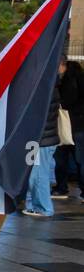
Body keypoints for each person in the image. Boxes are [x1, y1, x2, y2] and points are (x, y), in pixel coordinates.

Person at [23, 59, 61, 217]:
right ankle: (34, 205)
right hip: (39, 140)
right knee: (35, 173)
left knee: (36, 175)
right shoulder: (48, 87)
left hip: (39, 140)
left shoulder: (43, 90)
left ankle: (43, 208)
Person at [55, 59, 84, 198]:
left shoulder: (66, 83)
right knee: (80, 160)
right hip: (80, 126)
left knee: (62, 157)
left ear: (65, 67)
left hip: (67, 126)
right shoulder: (80, 81)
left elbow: (64, 102)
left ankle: (61, 187)